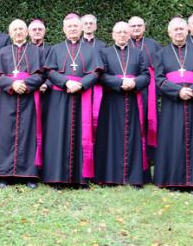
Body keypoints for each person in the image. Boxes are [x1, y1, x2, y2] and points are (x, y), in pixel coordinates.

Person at [42, 14, 104, 187]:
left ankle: (80, 178)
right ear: (64, 29)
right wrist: (66, 82)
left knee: (82, 135)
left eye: (76, 27)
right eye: (69, 27)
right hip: (59, 97)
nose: (73, 29)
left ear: (82, 28)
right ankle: (56, 177)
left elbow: (96, 72)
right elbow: (50, 72)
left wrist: (81, 84)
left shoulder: (91, 50)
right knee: (58, 134)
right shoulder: (56, 49)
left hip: (82, 96)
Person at [153, 17, 193, 191]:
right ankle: (173, 182)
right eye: (175, 29)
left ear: (187, 31)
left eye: (181, 29)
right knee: (173, 140)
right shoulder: (161, 54)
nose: (179, 32)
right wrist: (178, 91)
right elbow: (159, 79)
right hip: (172, 104)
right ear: (169, 32)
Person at [0, 19, 45, 189]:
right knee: (5, 135)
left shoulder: (36, 52)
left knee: (29, 134)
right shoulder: (3, 52)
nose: (18, 32)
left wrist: (26, 84)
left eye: (21, 29)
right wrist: (12, 84)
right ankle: (4, 175)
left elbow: (41, 74)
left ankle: (29, 175)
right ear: (10, 33)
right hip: (7, 98)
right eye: (15, 30)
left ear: (26, 32)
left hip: (29, 98)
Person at [94, 22, 151, 186]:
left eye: (125, 32)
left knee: (134, 136)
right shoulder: (104, 53)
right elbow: (101, 75)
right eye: (118, 32)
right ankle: (110, 177)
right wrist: (119, 83)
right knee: (110, 137)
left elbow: (146, 75)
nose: (122, 35)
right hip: (111, 101)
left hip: (133, 101)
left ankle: (134, 178)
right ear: (112, 35)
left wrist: (134, 83)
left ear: (129, 34)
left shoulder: (138, 54)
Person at [128, 16, 161, 162]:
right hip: (128, 86)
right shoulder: (123, 42)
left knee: (148, 118)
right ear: (129, 28)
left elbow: (160, 67)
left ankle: (149, 155)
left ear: (144, 27)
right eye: (133, 26)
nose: (136, 28)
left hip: (149, 88)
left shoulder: (153, 44)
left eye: (139, 25)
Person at [81, 14, 105, 135]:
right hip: (82, 88)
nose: (88, 25)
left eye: (91, 23)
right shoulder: (76, 45)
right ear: (81, 26)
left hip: (98, 88)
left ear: (95, 26)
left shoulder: (103, 45)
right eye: (85, 23)